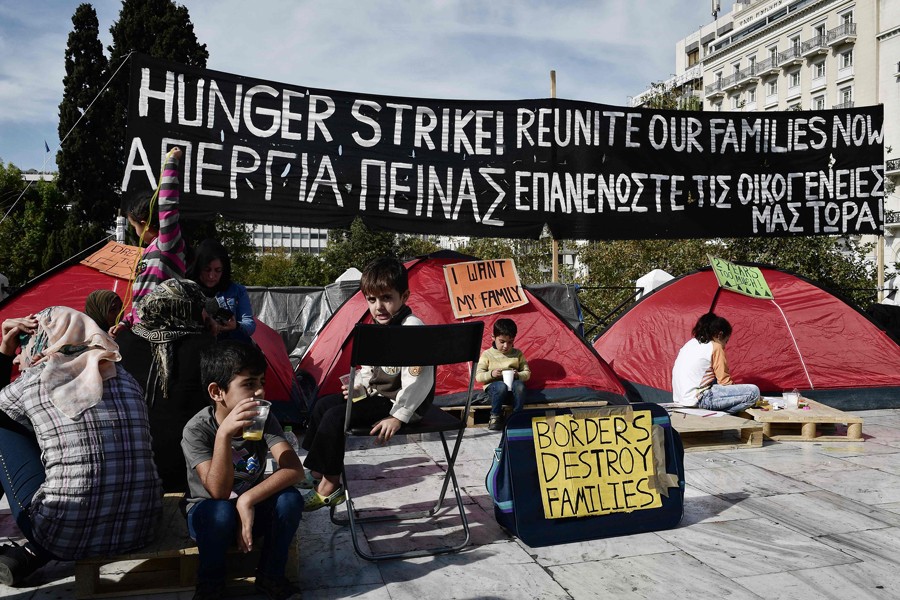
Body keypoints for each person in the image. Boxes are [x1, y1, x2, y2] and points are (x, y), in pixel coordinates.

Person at [0, 307, 162, 586]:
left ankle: (36, 549)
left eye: (26, 340)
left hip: (61, 536)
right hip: (142, 527)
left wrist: (4, 352)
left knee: (3, 427)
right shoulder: (125, 377)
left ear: (42, 339)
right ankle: (31, 554)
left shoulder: (35, 380)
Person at [300, 257, 435, 511]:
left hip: (403, 405)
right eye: (371, 300)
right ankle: (317, 471)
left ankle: (331, 485)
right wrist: (359, 387)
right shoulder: (379, 326)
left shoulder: (412, 329)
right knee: (322, 406)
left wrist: (398, 416)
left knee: (335, 417)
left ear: (404, 296)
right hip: (380, 398)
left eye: (386, 298)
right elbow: (370, 370)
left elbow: (419, 380)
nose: (378, 307)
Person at [181, 341, 303, 600]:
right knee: (220, 511)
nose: (260, 391)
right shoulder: (197, 429)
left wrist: (247, 499)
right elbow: (218, 492)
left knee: (290, 499)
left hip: (250, 511)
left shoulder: (263, 419)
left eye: (262, 382)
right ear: (217, 392)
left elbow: (294, 469)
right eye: (248, 384)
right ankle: (210, 587)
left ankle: (271, 577)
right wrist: (223, 435)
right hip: (209, 518)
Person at [117, 278, 215, 492]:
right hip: (186, 471)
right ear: (188, 308)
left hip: (128, 467)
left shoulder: (122, 343)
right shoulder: (206, 347)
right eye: (201, 308)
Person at [117, 146, 186, 331]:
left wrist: (171, 162)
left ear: (143, 223)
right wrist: (127, 321)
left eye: (134, 226)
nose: (135, 232)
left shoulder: (167, 245)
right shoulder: (148, 252)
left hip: (165, 330)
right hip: (142, 329)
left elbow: (168, 206)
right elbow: (141, 297)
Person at [671, 312, 760, 414]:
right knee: (754, 392)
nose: (725, 346)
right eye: (726, 341)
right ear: (720, 335)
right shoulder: (715, 347)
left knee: (712, 380)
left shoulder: (690, 344)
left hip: (680, 399)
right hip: (700, 399)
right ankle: (725, 412)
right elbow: (725, 382)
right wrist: (739, 393)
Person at [188, 239, 256, 342]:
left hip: (229, 346)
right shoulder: (186, 289)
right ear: (198, 268)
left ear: (224, 270)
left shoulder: (237, 291)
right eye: (207, 270)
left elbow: (249, 324)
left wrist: (235, 326)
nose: (212, 276)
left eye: (218, 270)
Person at [476, 318, 531, 431]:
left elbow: (527, 373)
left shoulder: (517, 354)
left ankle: (516, 416)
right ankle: (495, 416)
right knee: (500, 386)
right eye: (502, 342)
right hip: (494, 387)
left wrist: (518, 375)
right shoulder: (487, 354)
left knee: (520, 386)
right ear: (493, 337)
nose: (506, 346)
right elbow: (478, 376)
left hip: (512, 386)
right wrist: (492, 374)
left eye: (510, 342)